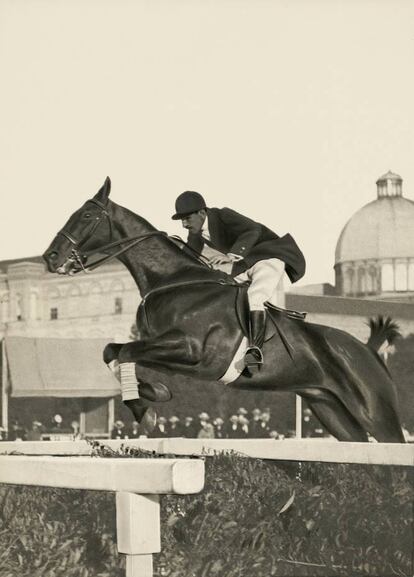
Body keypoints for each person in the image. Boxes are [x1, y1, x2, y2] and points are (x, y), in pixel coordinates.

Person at [172, 191, 306, 367]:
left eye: (187, 218)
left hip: (268, 257)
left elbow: (253, 230)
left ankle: (255, 350)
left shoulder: (223, 215)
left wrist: (231, 255)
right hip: (246, 264)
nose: (184, 224)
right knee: (221, 287)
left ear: (202, 213)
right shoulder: (195, 234)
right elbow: (189, 257)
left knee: (254, 297)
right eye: (181, 220)